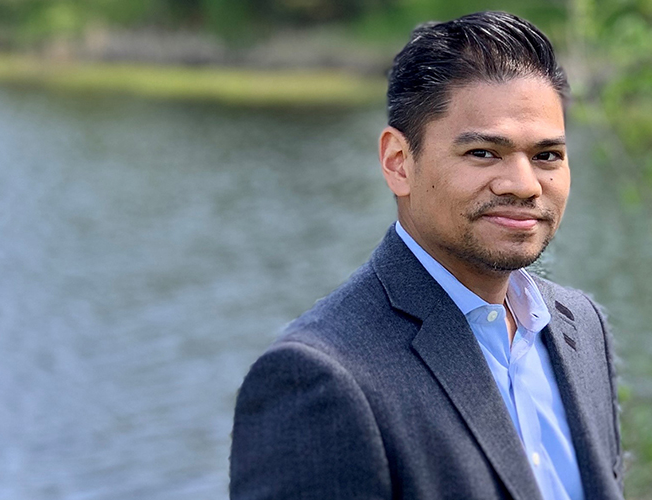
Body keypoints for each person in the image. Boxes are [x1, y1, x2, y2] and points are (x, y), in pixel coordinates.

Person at [230, 11, 624, 500]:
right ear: (399, 163)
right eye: (483, 152)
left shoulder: (581, 328)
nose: (524, 185)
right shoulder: (319, 379)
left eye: (547, 156)